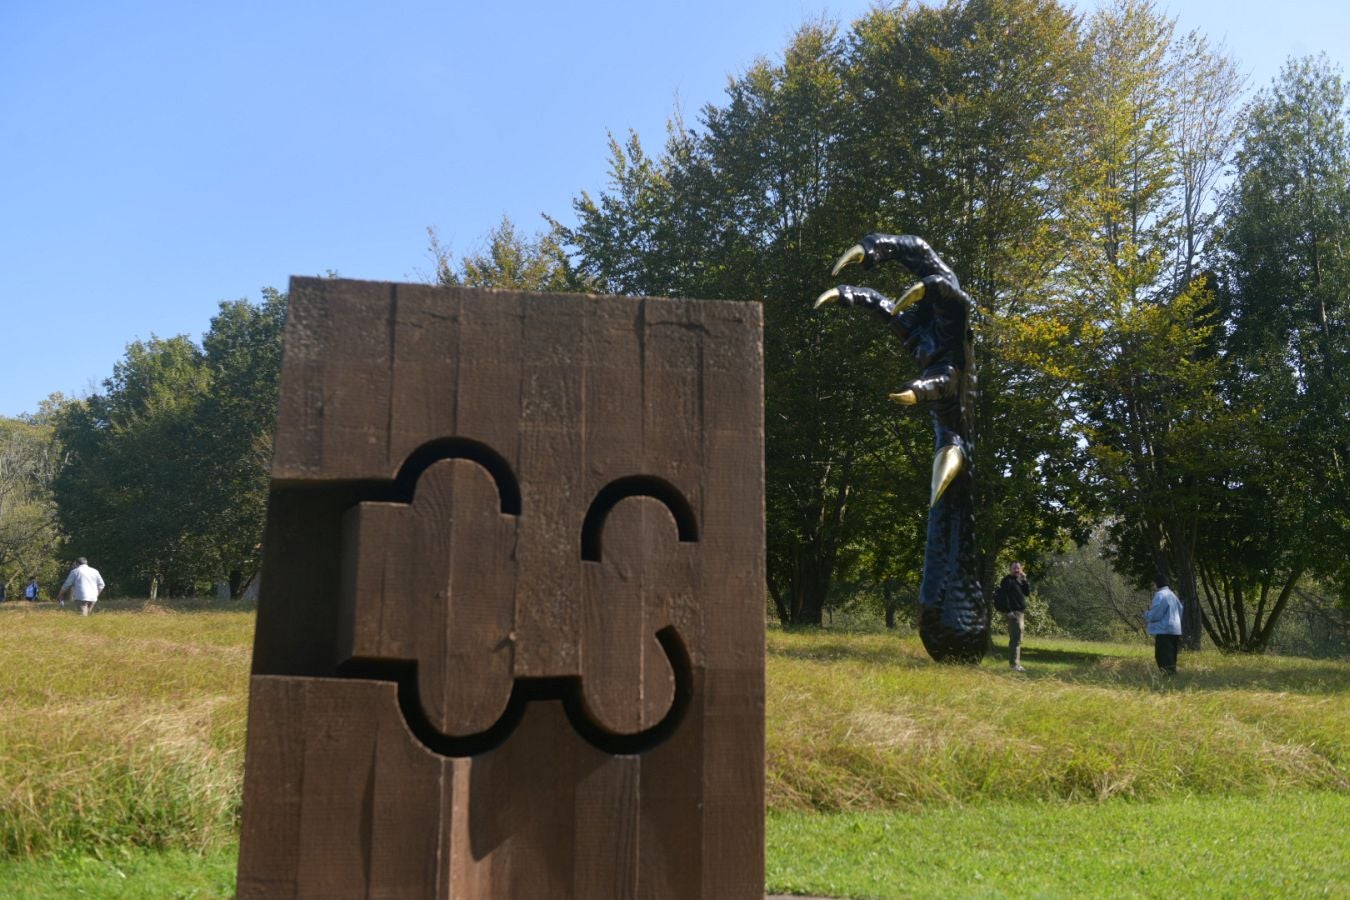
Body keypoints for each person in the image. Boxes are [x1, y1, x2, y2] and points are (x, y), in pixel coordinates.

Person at [1145, 574, 1183, 675]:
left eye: (1153, 583)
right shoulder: (1172, 595)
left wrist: (1146, 614)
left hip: (1164, 629)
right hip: (1175, 629)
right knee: (1171, 655)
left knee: (1162, 655)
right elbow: (1181, 610)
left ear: (1157, 583)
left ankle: (1168, 676)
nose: (1153, 586)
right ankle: (1172, 674)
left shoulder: (1160, 595)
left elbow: (1156, 615)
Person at [996, 561, 1031, 671]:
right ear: (1009, 569)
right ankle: (1014, 665)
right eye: (1014, 568)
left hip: (1020, 612)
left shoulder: (1019, 580)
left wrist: (1024, 580)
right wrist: (1008, 611)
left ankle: (1016, 664)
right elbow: (1004, 596)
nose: (1017, 570)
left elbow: (1027, 593)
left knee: (1018, 638)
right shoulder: (1007, 580)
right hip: (1014, 613)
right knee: (1016, 639)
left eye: (1018, 568)